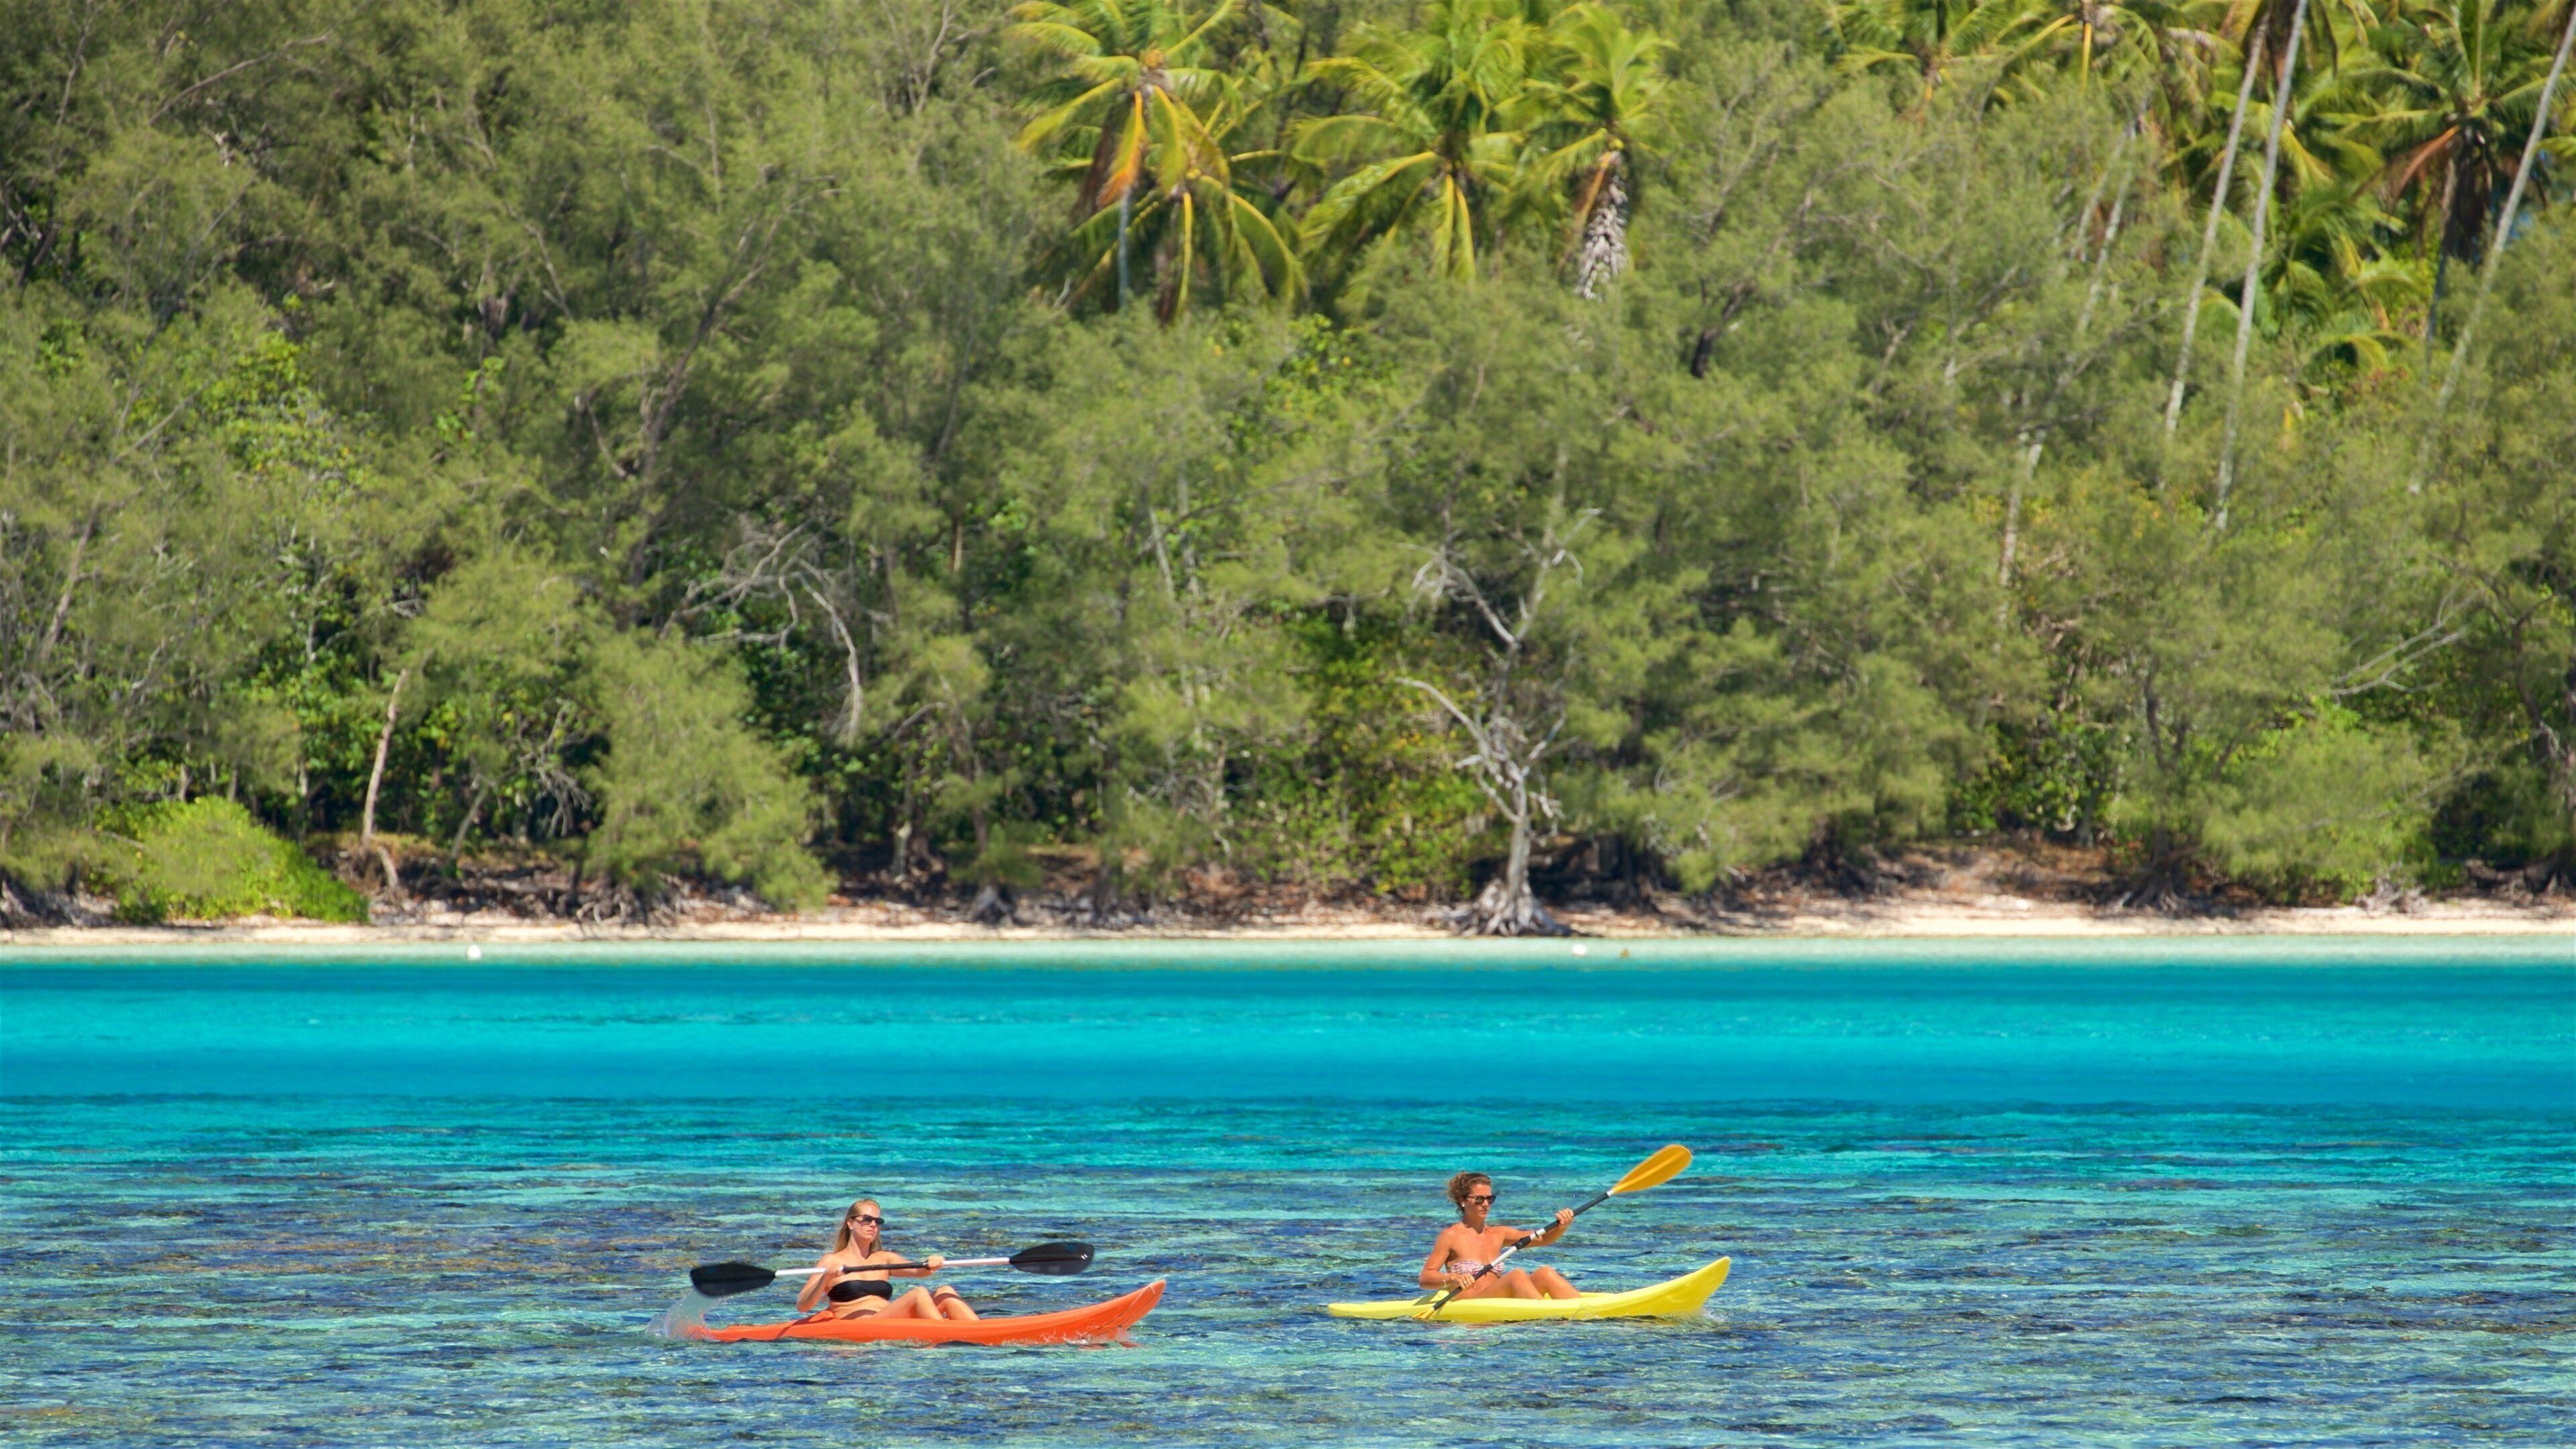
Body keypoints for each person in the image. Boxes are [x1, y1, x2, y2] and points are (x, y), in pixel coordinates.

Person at [795, 1197, 979, 1322]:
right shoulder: (831, 1260)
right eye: (867, 1219)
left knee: (945, 1291)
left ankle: (981, 1336)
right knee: (918, 1294)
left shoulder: (884, 1258)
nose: (873, 1224)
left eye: (878, 1221)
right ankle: (946, 1337)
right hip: (861, 1325)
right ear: (850, 1223)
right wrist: (826, 1277)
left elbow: (918, 1271)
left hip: (889, 1318)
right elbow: (803, 1306)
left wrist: (932, 1263)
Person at [1418, 1171, 1578, 1300]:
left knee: (1545, 1273)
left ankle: (1587, 1317)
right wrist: (1452, 1278)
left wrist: (1563, 1225)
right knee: (1516, 1276)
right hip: (1473, 1305)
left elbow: (1543, 1238)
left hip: (1497, 1299)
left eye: (1490, 1199)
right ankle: (1548, 1318)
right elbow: (1426, 1278)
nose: (1486, 1204)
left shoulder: (1499, 1233)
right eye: (1479, 1199)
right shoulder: (1451, 1236)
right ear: (1462, 1200)